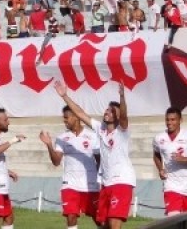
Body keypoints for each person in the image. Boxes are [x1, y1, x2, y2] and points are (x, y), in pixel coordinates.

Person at [55, 81, 135, 229]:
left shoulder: (122, 131)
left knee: (113, 223)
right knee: (104, 224)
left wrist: (122, 97)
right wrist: (65, 96)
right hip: (106, 183)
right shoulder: (100, 129)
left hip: (122, 181)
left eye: (111, 111)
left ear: (117, 115)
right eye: (106, 109)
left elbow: (124, 117)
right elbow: (80, 113)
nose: (107, 112)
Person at [39, 105, 101, 229]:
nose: (64, 120)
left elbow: (99, 161)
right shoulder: (62, 138)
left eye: (66, 117)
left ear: (76, 117)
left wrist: (102, 181)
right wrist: (49, 145)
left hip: (91, 185)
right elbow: (56, 161)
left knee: (99, 220)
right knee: (71, 216)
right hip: (70, 185)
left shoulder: (92, 136)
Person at [152, 107, 187, 216]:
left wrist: (184, 159)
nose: (169, 123)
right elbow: (156, 154)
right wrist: (160, 169)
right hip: (171, 186)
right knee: (173, 218)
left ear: (180, 120)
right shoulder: (159, 138)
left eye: (173, 120)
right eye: (167, 120)